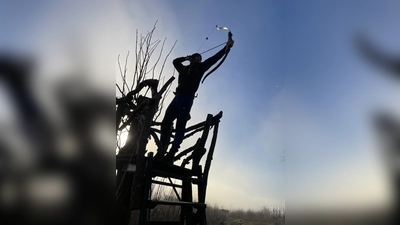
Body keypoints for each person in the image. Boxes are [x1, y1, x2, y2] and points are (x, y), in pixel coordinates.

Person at [157, 39, 234, 163]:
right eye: (195, 57)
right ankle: (161, 151)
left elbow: (214, 59)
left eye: (199, 58)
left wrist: (226, 47)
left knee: (180, 126)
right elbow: (175, 61)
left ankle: (172, 153)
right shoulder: (182, 68)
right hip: (177, 98)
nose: (197, 59)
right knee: (165, 123)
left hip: (187, 98)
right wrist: (186, 58)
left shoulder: (201, 67)